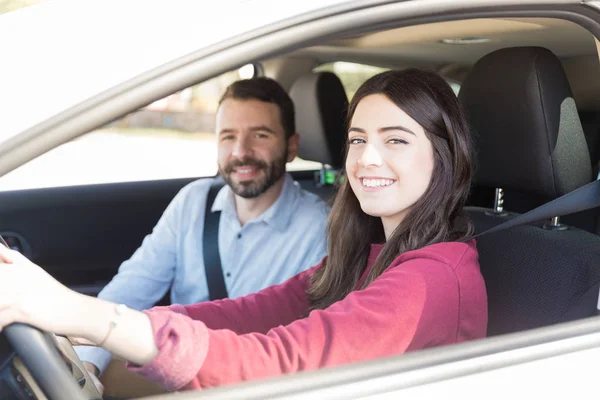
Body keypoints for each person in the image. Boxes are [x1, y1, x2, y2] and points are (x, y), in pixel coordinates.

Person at [0, 69, 488, 392]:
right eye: (358, 139)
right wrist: (86, 322)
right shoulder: (365, 256)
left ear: (444, 156)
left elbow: (285, 362)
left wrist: (88, 317)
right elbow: (246, 313)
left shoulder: (431, 281)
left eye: (396, 140)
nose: (368, 159)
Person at [76, 77, 330, 377]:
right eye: (228, 136)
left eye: (260, 135)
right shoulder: (193, 203)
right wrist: (87, 363)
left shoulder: (320, 228)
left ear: (291, 146)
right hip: (178, 374)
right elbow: (131, 289)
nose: (241, 151)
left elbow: (306, 343)